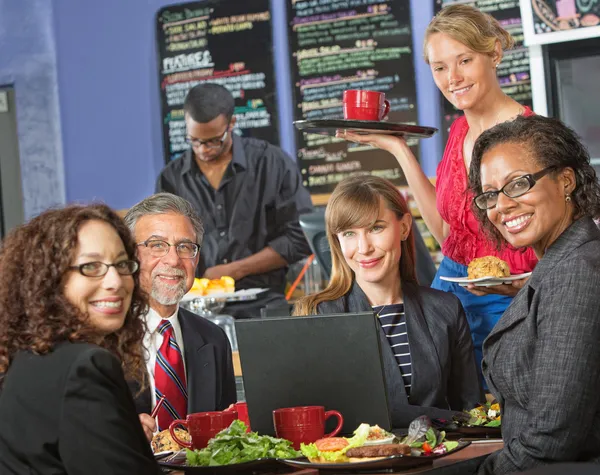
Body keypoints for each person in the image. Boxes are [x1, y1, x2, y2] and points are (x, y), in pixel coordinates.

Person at [337, 4, 537, 376]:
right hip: (447, 295)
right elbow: (446, 233)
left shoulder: (530, 137)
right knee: (453, 415)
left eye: (464, 61)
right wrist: (399, 148)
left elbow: (561, 242)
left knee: (503, 410)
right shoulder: (459, 130)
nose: (452, 78)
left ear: (493, 53)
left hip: (508, 302)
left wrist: (531, 284)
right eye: (440, 67)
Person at [293, 176, 484, 427]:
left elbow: (472, 414)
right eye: (349, 233)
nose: (364, 248)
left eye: (376, 228)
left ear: (404, 227)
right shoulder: (316, 314)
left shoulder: (445, 310)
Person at [468, 115, 600, 474]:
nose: (502, 205)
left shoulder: (577, 272)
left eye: (518, 184)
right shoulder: (563, 263)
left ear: (566, 180)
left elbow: (552, 440)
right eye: (490, 194)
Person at [0, 204, 161, 474]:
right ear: (49, 280)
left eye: (122, 264)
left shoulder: (26, 357)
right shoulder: (85, 365)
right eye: (91, 266)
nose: (116, 281)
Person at [157, 83, 313, 318]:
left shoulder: (271, 163)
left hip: (263, 308)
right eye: (194, 140)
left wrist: (234, 271)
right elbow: (162, 248)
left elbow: (300, 239)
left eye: (212, 141)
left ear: (231, 125)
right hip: (193, 311)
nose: (202, 150)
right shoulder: (171, 179)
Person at [124, 193, 236, 436]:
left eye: (185, 247)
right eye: (156, 245)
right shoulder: (103, 338)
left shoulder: (213, 339)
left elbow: (226, 441)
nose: (173, 259)